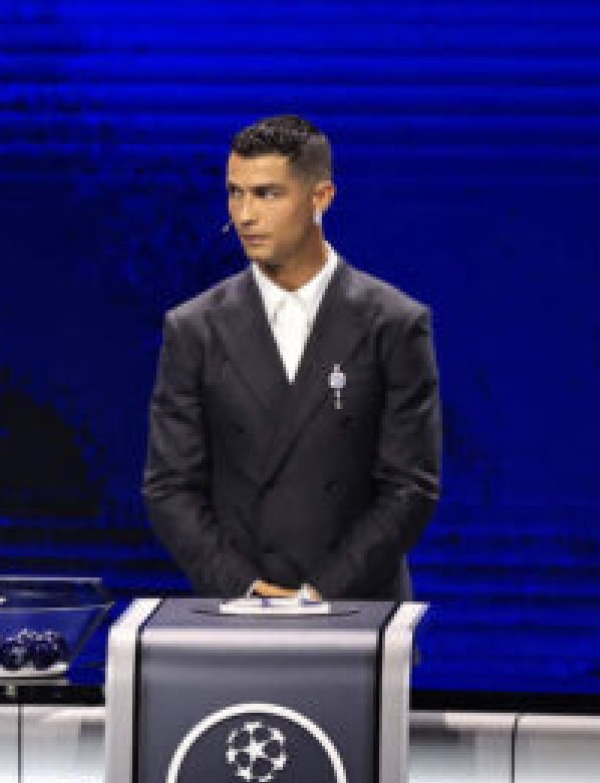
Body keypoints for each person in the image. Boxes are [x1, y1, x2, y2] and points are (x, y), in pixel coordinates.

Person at [143, 115, 442, 601]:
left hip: (358, 612)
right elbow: (169, 488)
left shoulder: (394, 323)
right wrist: (244, 588)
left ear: (321, 198)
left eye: (267, 194)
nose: (244, 215)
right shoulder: (193, 328)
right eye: (235, 193)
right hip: (236, 613)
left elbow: (410, 488)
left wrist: (321, 592)